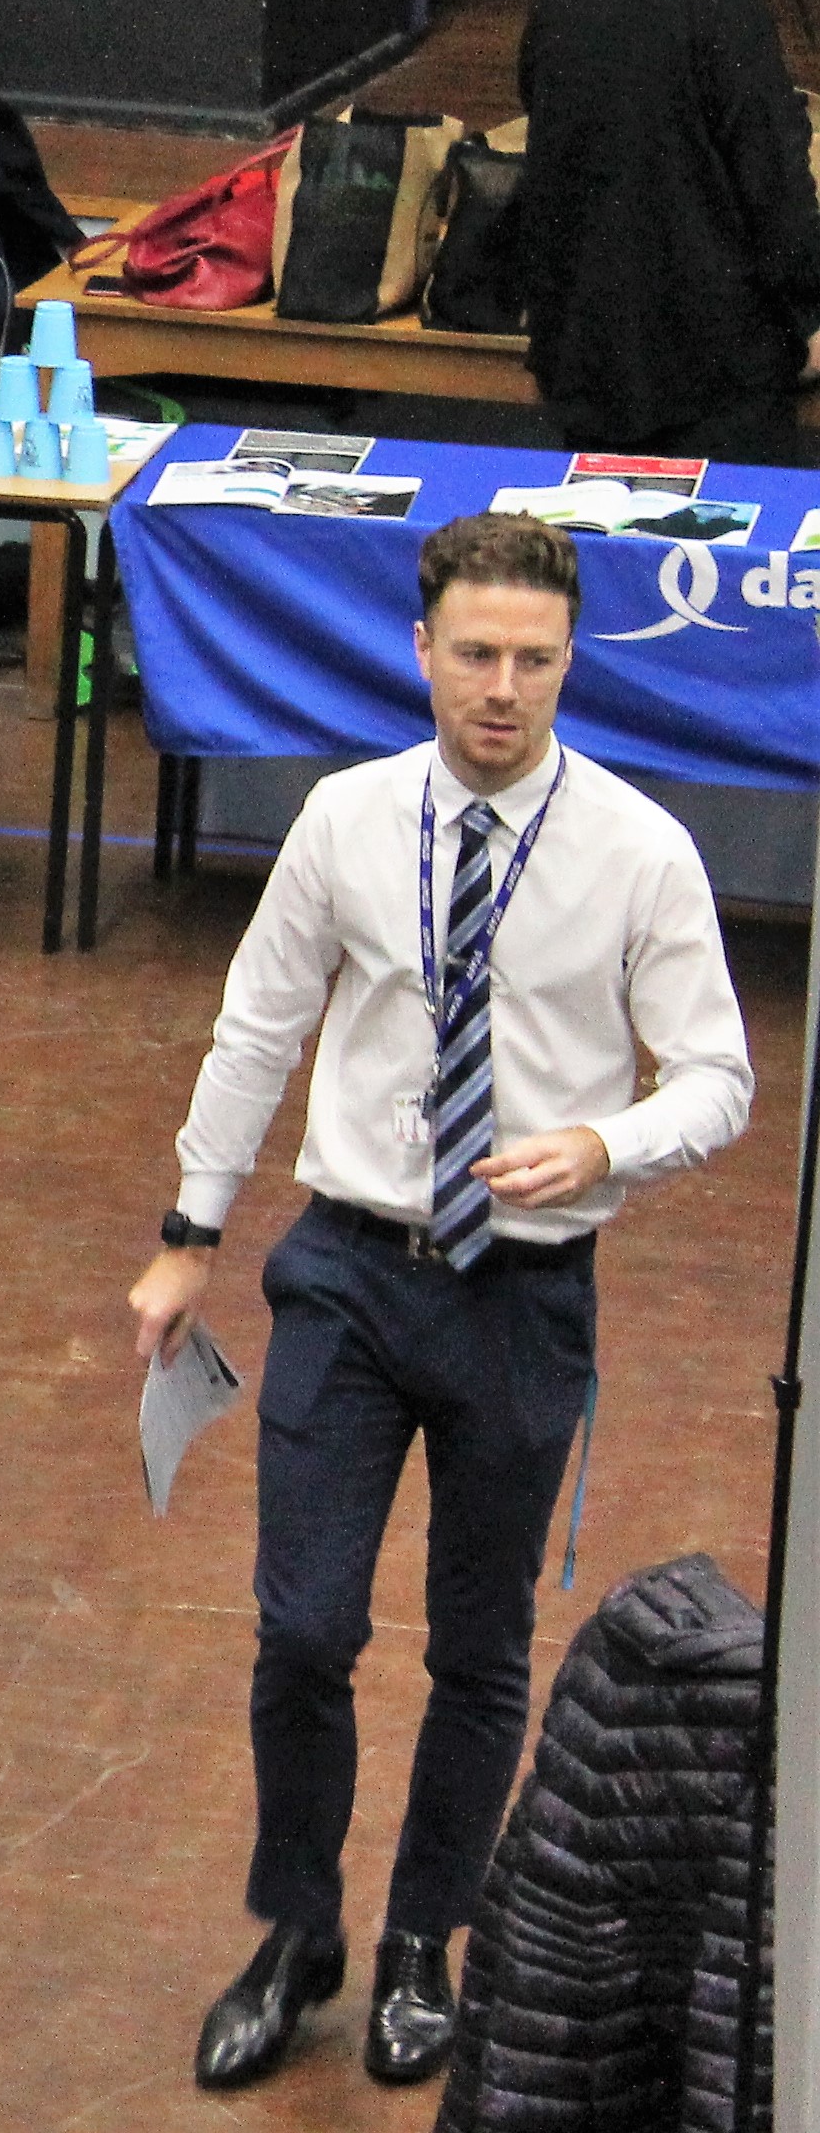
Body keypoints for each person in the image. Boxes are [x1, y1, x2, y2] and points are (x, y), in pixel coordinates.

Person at [130, 510, 752, 2092]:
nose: (502, 688)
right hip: (348, 1270)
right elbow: (255, 1027)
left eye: (534, 661)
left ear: (569, 662)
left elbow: (721, 1081)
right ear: (420, 649)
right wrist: (189, 1230)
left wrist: (604, 1141)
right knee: (305, 1629)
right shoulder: (344, 822)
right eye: (474, 654)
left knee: (479, 1651)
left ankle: (424, 1939)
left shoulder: (636, 851)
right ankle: (298, 1930)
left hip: (523, 1296)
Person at [513, 0, 820, 469]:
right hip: (714, 389)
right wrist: (809, 315)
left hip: (588, 373)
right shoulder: (721, 2)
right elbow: (779, 199)